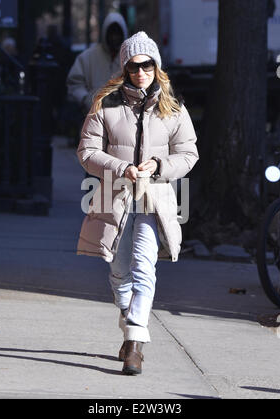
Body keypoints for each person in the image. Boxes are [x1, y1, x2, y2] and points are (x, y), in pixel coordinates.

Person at [76, 32, 199, 375]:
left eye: (147, 64)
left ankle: (134, 343)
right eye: (134, 65)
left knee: (145, 267)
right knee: (119, 269)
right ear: (125, 67)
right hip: (113, 196)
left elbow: (189, 153)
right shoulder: (106, 104)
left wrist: (159, 166)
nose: (141, 71)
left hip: (153, 198)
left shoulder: (173, 107)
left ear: (156, 67)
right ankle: (130, 318)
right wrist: (121, 167)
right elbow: (87, 152)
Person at [66, 12, 128, 114]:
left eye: (117, 33)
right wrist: (85, 99)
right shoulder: (87, 57)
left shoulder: (130, 58)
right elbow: (74, 83)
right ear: (105, 34)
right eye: (111, 33)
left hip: (123, 119)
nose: (114, 37)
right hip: (93, 117)